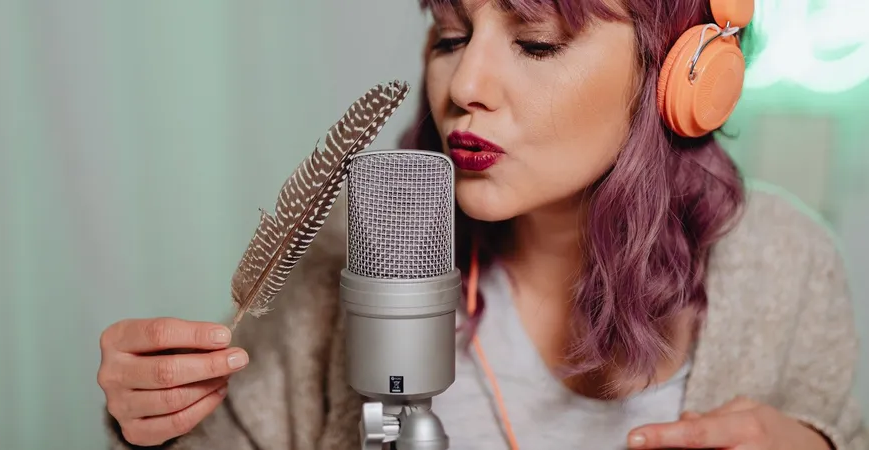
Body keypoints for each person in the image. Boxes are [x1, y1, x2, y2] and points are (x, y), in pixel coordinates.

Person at [96, 0, 867, 449]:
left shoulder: (787, 264)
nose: (464, 84)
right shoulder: (356, 251)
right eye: (450, 36)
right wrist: (150, 425)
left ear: (678, 79)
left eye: (535, 42)